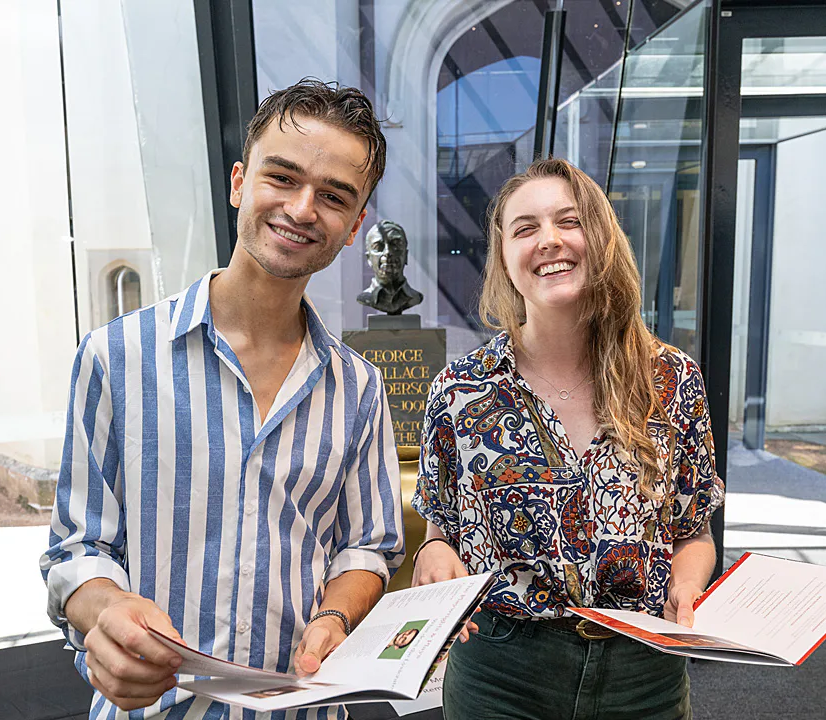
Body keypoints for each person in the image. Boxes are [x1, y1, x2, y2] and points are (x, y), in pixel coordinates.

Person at [40, 79, 404, 720]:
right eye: (282, 178)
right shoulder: (115, 356)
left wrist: (335, 616)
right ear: (239, 182)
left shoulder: (360, 387)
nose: (302, 208)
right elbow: (77, 548)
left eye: (333, 196)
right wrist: (109, 611)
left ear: (354, 227)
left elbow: (368, 547)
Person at [411, 157, 724, 719]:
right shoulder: (460, 391)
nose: (549, 240)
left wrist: (688, 582)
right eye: (525, 228)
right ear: (504, 258)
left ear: (600, 238)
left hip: (643, 673)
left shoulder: (672, 380)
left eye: (569, 221)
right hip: (502, 674)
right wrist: (434, 555)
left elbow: (693, 533)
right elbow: (441, 535)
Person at [356, 220, 423, 315]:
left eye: (395, 245)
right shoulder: (365, 297)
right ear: (369, 259)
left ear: (406, 255)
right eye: (378, 247)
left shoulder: (415, 297)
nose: (387, 252)